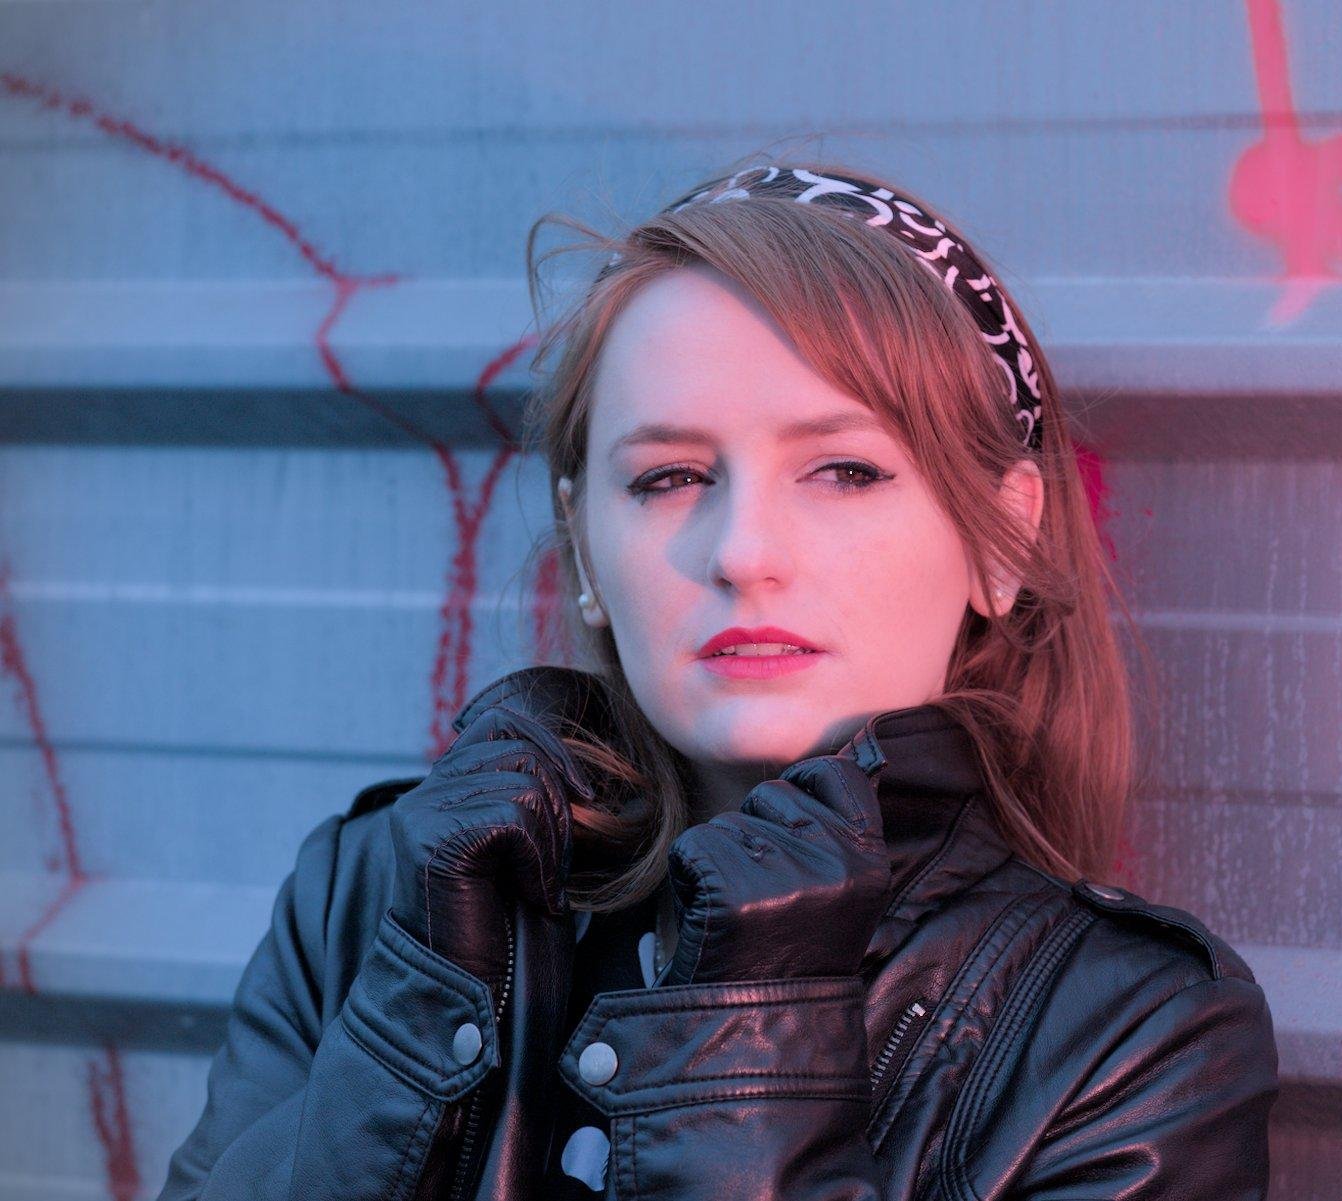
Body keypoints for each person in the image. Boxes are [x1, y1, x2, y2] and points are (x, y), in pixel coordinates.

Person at [155, 157, 1279, 1200]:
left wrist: (748, 1038)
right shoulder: (379, 897)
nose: (744, 550)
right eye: (673, 475)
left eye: (844, 470)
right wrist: (419, 1009)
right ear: (585, 548)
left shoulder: (1131, 1038)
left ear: (1001, 538)